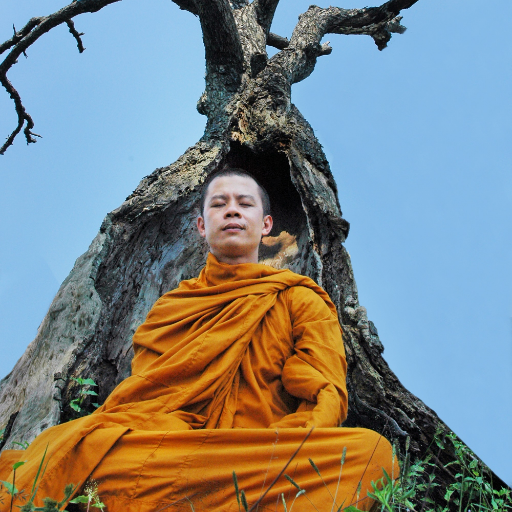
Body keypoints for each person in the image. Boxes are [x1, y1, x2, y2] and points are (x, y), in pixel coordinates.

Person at [0, 168, 397, 512]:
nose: (232, 210)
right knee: (57, 447)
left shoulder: (299, 297)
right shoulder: (172, 308)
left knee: (372, 456)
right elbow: (144, 402)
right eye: (219, 204)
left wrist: (279, 449)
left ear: (266, 225)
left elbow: (326, 394)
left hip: (252, 456)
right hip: (164, 449)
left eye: (245, 203)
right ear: (202, 226)